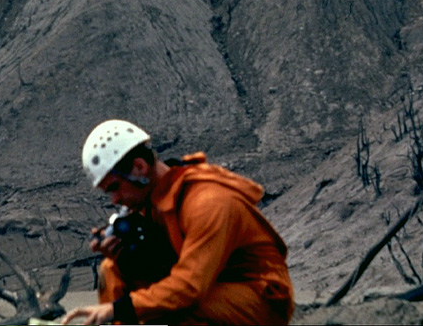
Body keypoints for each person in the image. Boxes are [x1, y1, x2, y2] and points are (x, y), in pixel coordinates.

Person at [62, 120, 294, 326]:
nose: (114, 199)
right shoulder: (155, 202)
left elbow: (190, 286)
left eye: (114, 187)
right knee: (112, 269)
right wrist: (125, 259)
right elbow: (165, 264)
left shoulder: (207, 203)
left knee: (178, 308)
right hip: (211, 287)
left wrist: (117, 309)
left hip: (259, 297)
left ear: (139, 168)